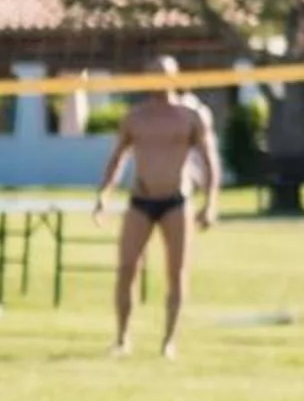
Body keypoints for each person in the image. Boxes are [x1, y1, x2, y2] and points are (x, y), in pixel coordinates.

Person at [92, 56, 221, 358]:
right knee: (126, 269)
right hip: (141, 200)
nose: (158, 81)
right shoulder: (135, 117)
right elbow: (117, 158)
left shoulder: (191, 116)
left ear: (176, 77)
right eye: (152, 75)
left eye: (164, 75)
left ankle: (168, 341)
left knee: (176, 273)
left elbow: (209, 161)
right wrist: (104, 194)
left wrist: (211, 202)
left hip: (176, 201)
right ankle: (122, 338)